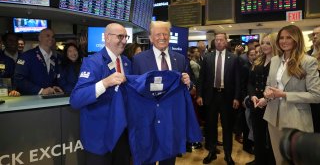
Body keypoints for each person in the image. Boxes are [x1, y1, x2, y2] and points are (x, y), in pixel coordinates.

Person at [132, 21, 197, 165]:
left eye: (165, 34)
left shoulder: (180, 59)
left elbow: (190, 86)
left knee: (168, 161)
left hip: (171, 121)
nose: (162, 37)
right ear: (150, 37)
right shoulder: (138, 60)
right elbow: (134, 91)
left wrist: (188, 83)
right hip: (148, 121)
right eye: (158, 34)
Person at [70, 23, 131, 165]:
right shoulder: (92, 62)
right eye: (120, 37)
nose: (124, 41)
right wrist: (104, 83)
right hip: (99, 139)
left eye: (125, 37)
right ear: (107, 38)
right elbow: (76, 99)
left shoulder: (127, 63)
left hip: (122, 137)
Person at [263, 25, 320, 164]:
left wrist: (284, 95)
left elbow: (316, 95)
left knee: (296, 161)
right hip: (273, 116)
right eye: (281, 38)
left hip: (296, 117)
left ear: (296, 39)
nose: (284, 41)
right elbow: (269, 85)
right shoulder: (275, 60)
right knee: (279, 159)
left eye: (289, 37)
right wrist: (266, 94)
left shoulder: (308, 61)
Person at [197, 32, 240, 165]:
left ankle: (228, 154)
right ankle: (211, 152)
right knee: (211, 126)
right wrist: (199, 95)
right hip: (211, 95)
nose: (219, 42)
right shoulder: (208, 58)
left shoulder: (233, 58)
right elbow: (202, 79)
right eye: (217, 40)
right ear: (214, 42)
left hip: (227, 96)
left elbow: (238, 80)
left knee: (227, 127)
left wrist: (237, 97)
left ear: (226, 41)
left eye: (221, 40)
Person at [246, 34, 277, 165]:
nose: (264, 46)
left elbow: (278, 85)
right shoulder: (258, 61)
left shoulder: (279, 61)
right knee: (257, 134)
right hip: (256, 102)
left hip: (272, 102)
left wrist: (265, 99)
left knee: (271, 137)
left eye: (268, 43)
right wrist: (253, 95)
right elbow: (250, 82)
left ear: (274, 45)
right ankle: (259, 160)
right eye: (263, 43)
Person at [14, 28, 63, 95]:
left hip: (49, 99)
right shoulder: (27, 56)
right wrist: (40, 91)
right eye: (48, 36)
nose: (51, 38)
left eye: (53, 37)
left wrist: (55, 87)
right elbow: (18, 79)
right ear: (40, 38)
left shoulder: (54, 59)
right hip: (30, 99)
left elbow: (54, 78)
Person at [308, 26, 320, 133]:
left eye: (318, 34)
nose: (315, 37)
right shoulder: (308, 54)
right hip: (312, 100)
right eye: (313, 34)